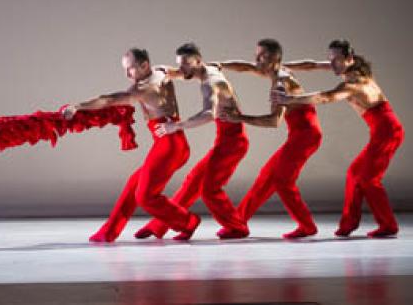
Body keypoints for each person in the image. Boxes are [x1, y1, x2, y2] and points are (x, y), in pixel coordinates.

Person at [63, 48, 201, 242]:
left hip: (169, 146)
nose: (127, 74)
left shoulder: (141, 88)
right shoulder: (162, 71)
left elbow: (108, 100)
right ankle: (109, 231)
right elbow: (186, 73)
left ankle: (188, 222)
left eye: (130, 69)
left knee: (145, 197)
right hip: (174, 143)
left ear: (144, 65)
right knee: (133, 185)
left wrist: (77, 106)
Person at [272, 40, 404, 237]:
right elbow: (313, 65)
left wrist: (290, 100)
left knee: (368, 179)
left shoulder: (354, 84)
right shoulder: (349, 65)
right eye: (330, 59)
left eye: (337, 60)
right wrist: (285, 65)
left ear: (349, 59)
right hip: (381, 131)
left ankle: (388, 225)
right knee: (354, 174)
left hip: (388, 131)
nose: (332, 64)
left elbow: (325, 97)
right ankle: (349, 224)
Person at [133, 43, 249, 240]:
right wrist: (162, 70)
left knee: (209, 190)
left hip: (233, 143)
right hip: (225, 140)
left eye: (186, 65)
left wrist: (176, 126)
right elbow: (179, 73)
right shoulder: (206, 69)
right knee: (193, 182)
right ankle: (159, 226)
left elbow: (208, 114)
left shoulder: (210, 82)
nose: (182, 70)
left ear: (198, 61)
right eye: (180, 65)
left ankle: (238, 227)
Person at [218, 39, 321, 239]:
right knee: (267, 176)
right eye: (256, 55)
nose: (256, 60)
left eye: (262, 56)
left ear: (274, 58)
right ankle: (237, 222)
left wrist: (240, 118)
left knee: (283, 181)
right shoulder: (275, 70)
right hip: (300, 135)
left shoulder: (281, 82)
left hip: (306, 136)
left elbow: (274, 121)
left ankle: (307, 226)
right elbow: (246, 67)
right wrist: (219, 65)